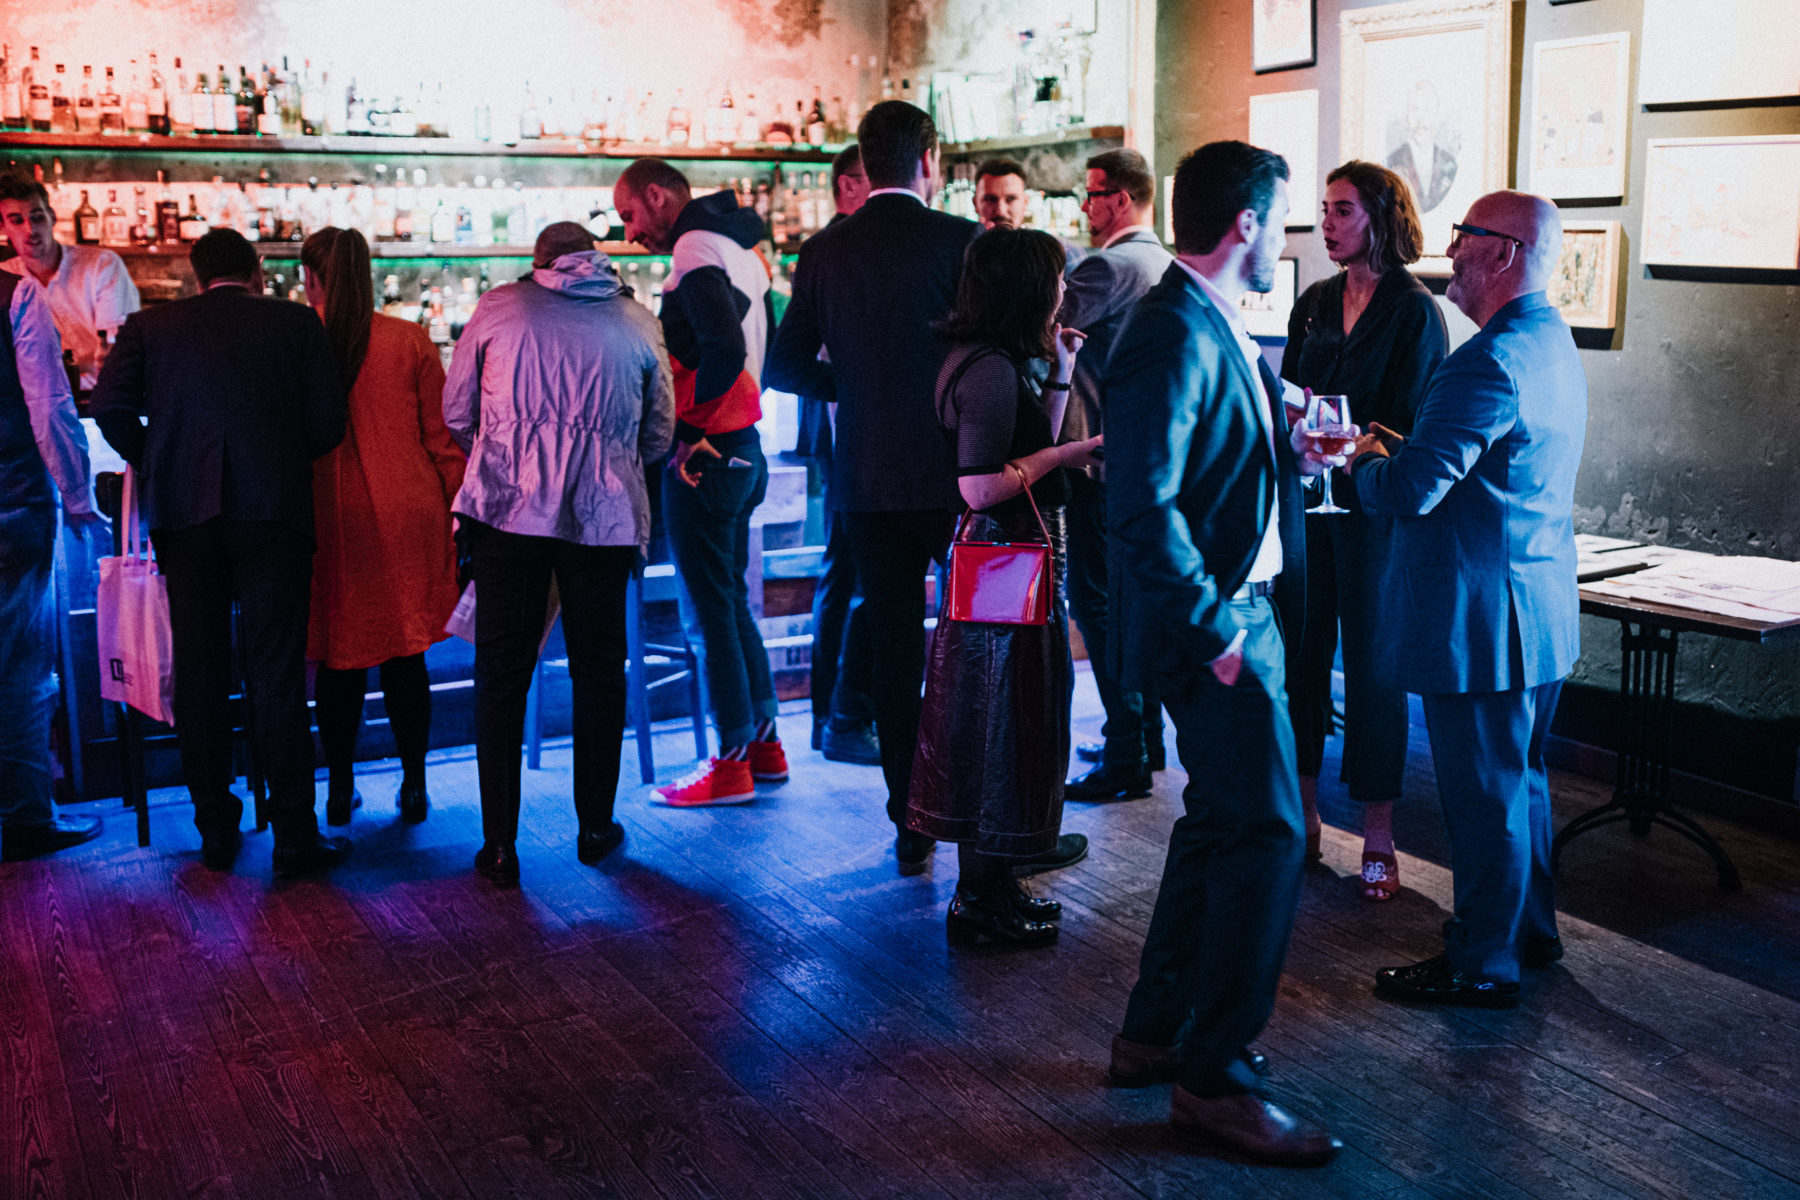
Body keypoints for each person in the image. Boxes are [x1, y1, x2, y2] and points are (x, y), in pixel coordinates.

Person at [768, 101, 1083, 879]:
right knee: (986, 643)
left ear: (864, 163)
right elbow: (1000, 347)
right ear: (930, 161)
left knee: (893, 649)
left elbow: (784, 366)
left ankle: (909, 818)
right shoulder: (962, 239)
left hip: (867, 477)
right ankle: (992, 820)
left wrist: (856, 389)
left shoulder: (825, 249)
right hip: (962, 474)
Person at [1104, 141, 1341, 1165]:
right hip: (1221, 627)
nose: (1286, 236)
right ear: (1245, 223)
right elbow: (1140, 506)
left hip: (1240, 614)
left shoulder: (1210, 318)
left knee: (1217, 827)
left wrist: (1292, 454)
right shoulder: (1172, 328)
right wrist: (1217, 635)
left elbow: (1208, 470)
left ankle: (1154, 1035)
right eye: (1280, 218)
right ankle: (1216, 1081)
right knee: (1274, 835)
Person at [1323, 191, 1586, 1007]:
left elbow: (1412, 493)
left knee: (1481, 800)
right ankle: (1527, 933)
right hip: (1537, 608)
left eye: (1465, 235)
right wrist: (1400, 448)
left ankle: (1481, 962)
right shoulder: (1548, 339)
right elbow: (1487, 465)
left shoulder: (1483, 361)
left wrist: (1359, 462)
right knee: (1520, 783)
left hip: (1481, 620)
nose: (1451, 249)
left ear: (1503, 252)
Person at [91, 228, 348, 876]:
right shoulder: (295, 322)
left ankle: (215, 829)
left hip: (186, 517)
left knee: (200, 673)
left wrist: (160, 460)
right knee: (276, 675)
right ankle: (294, 835)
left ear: (195, 273)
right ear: (256, 270)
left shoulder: (152, 326)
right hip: (274, 514)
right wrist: (277, 456)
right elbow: (328, 424)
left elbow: (109, 407)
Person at [444, 222, 675, 886]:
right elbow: (659, 432)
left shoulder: (500, 307)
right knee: (599, 671)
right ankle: (595, 827)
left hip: (507, 512)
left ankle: (499, 845)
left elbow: (456, 411)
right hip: (605, 519)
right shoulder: (638, 320)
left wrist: (505, 455)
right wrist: (607, 461)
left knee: (501, 674)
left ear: (540, 262)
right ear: (596, 258)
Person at [908, 227, 1103, 945]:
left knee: (1011, 710)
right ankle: (980, 901)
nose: (1064, 291)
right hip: (1004, 556)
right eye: (1056, 279)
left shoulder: (994, 359)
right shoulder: (987, 369)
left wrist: (1061, 370)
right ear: (1028, 288)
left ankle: (994, 886)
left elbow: (1021, 444)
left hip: (1014, 554)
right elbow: (981, 486)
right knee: (999, 712)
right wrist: (1068, 453)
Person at [1280, 161, 1448, 899]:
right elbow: (1291, 390)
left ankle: (1379, 832)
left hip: (1375, 511)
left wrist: (1357, 443)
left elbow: (1419, 422)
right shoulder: (1315, 301)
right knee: (1302, 654)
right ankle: (1305, 814)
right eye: (1324, 209)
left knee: (1376, 667)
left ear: (1381, 216)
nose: (1327, 223)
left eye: (1342, 210)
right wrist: (1299, 423)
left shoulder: (1414, 310)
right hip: (1309, 504)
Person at [612, 158, 785, 807]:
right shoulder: (740, 247)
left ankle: (731, 764)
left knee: (707, 614)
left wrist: (688, 432)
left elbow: (724, 349)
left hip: (709, 455)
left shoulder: (693, 248)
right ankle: (764, 747)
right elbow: (760, 350)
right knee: (730, 604)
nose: (631, 233)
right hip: (744, 446)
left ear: (658, 196)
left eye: (630, 215)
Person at [300, 227, 465, 828]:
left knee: (337, 661)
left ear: (311, 279)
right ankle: (414, 784)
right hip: (407, 514)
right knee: (405, 656)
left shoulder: (299, 340)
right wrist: (460, 510)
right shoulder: (408, 340)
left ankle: (339, 789)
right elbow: (442, 440)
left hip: (328, 517)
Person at [1055, 147, 1175, 803]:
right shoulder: (1163, 263)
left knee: (1098, 607)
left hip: (1095, 459)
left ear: (1121, 199)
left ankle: (1126, 747)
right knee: (1129, 604)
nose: (1086, 205)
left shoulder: (1106, 266)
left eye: (1094, 192)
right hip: (1140, 460)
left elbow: (1046, 339)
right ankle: (1145, 739)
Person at [0, 266, 107, 862]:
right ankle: (26, 818)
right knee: (19, 671)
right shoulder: (15, 295)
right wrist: (78, 495)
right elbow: (48, 406)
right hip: (10, 503)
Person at [795, 143, 880, 767]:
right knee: (849, 573)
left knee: (845, 571)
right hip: (845, 429)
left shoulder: (835, 249)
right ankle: (837, 714)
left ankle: (833, 712)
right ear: (848, 186)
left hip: (847, 428)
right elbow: (805, 356)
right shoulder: (834, 250)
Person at [0, 171, 140, 391]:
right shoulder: (5, 279)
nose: (30, 230)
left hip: (101, 394)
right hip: (35, 401)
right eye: (17, 221)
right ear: (3, 227)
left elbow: (117, 351)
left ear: (52, 217)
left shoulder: (101, 265)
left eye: (37, 217)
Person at [975, 158, 1083, 269]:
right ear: (975, 203)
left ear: (1025, 202)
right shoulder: (964, 251)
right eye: (990, 199)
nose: (1001, 211)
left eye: (1011, 199)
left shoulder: (1061, 253)